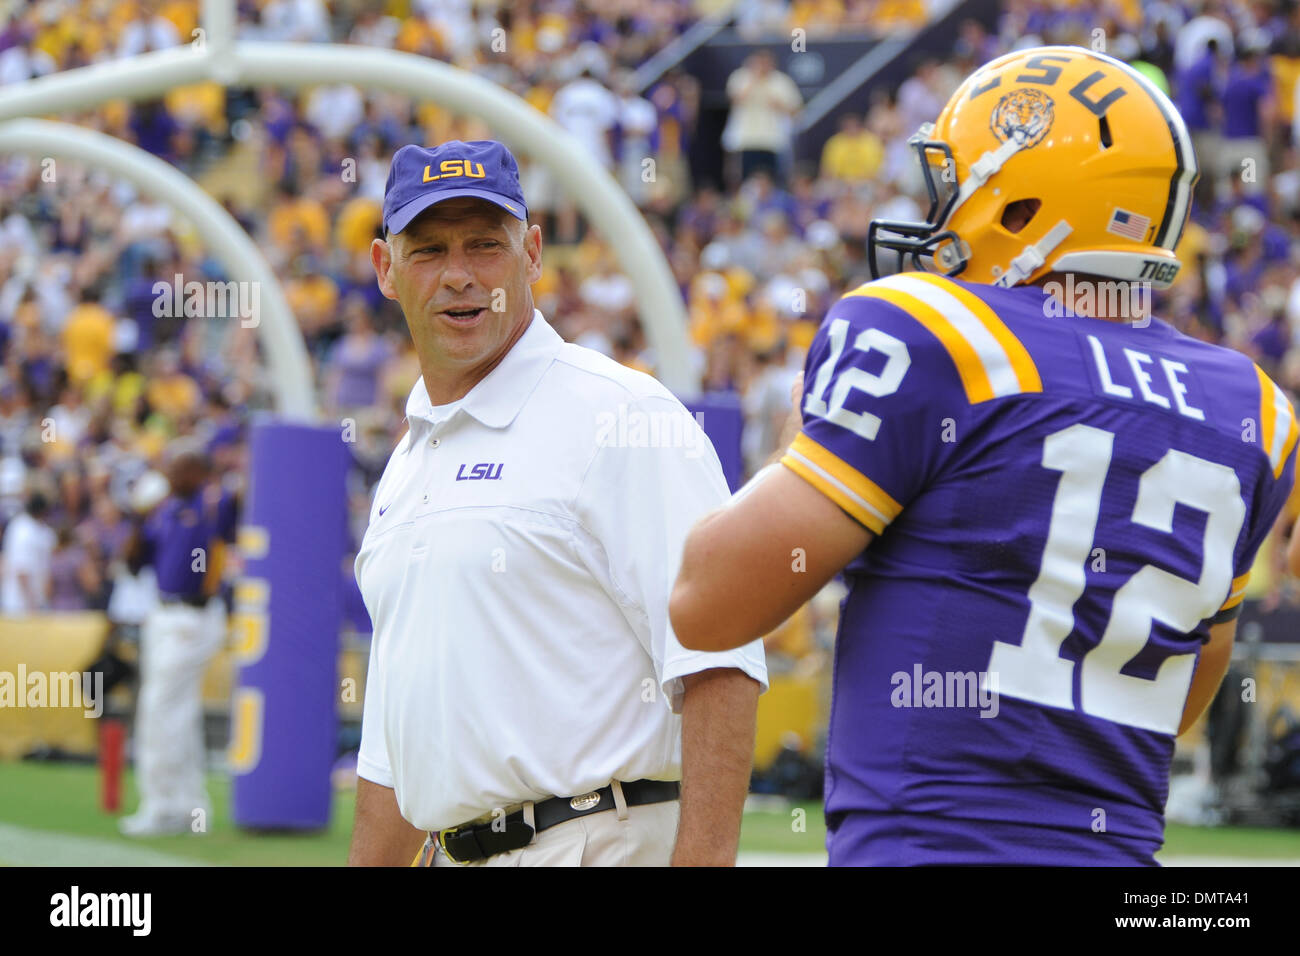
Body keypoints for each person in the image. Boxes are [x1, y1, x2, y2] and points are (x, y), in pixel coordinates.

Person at [670, 46, 1299, 866]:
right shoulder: (1253, 408)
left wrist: (801, 443)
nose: (939, 216)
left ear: (1022, 205)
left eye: (956, 186)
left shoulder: (941, 334)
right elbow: (1177, 700)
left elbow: (706, 603)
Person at [348, 140, 767, 868]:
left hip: (592, 842)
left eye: (485, 246)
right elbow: (394, 749)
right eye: (429, 251)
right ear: (386, 269)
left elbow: (719, 658)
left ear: (533, 254)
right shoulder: (409, 459)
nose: (459, 276)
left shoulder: (621, 415)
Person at [119, 438, 238, 837]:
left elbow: (233, 506)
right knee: (179, 713)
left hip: (193, 614)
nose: (170, 473)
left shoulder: (211, 504)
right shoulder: (166, 510)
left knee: (159, 709)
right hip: (162, 614)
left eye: (180, 467)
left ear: (199, 472)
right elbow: (134, 561)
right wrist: (139, 515)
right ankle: (191, 807)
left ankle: (164, 806)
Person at [0, 490, 55, 615]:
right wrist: (32, 605)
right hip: (20, 604)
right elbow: (22, 570)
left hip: (37, 600)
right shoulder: (22, 530)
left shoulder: (43, 530)